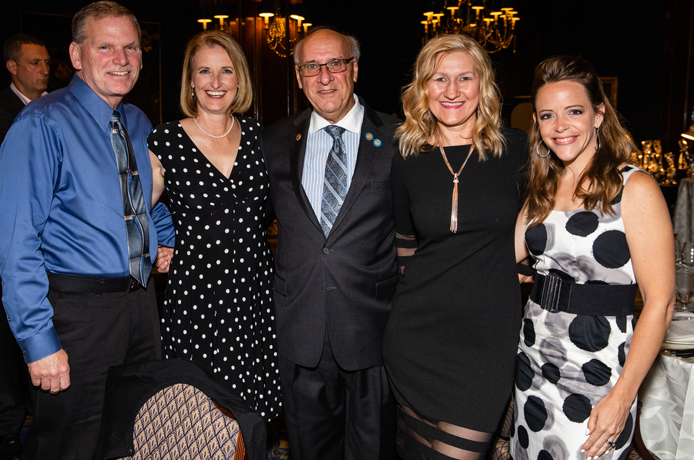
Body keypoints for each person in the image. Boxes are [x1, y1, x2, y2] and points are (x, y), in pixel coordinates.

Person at [0, 1, 174, 460]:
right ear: (76, 56)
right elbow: (16, 245)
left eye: (131, 47)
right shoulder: (40, 124)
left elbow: (140, 198)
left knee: (135, 438)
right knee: (71, 445)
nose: (122, 58)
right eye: (106, 47)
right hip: (77, 316)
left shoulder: (136, 121)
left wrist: (162, 234)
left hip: (140, 306)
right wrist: (38, 341)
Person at [510, 55, 674, 459]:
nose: (560, 126)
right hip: (533, 358)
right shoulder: (543, 187)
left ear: (599, 114)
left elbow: (661, 303)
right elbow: (506, 258)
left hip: (598, 367)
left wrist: (623, 396)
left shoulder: (635, 189)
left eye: (574, 111)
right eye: (547, 115)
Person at [382, 34, 529, 460]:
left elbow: (548, 221)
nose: (451, 91)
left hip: (488, 340)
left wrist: (528, 261)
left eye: (464, 78)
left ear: (483, 84)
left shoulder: (517, 149)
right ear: (422, 88)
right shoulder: (407, 157)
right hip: (416, 337)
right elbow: (405, 248)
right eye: (439, 79)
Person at [261, 27, 400, 459]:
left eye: (335, 63)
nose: (324, 77)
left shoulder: (400, 138)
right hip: (300, 329)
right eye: (311, 67)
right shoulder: (274, 141)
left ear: (354, 69)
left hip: (373, 330)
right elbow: (241, 220)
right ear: (299, 76)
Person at [147, 30, 281, 422]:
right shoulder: (166, 139)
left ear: (239, 78)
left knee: (253, 411)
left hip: (255, 293)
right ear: (191, 80)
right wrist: (164, 237)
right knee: (199, 414)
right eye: (205, 71)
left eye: (226, 71)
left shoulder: (262, 137)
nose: (216, 82)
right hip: (197, 296)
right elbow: (136, 207)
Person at [0, 33, 49, 460]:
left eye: (46, 63)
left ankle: (46, 425)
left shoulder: (56, 107)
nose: (44, 69)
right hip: (8, 242)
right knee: (8, 342)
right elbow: (22, 160)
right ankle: (5, 432)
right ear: (13, 67)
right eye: (35, 63)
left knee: (49, 335)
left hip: (49, 246)